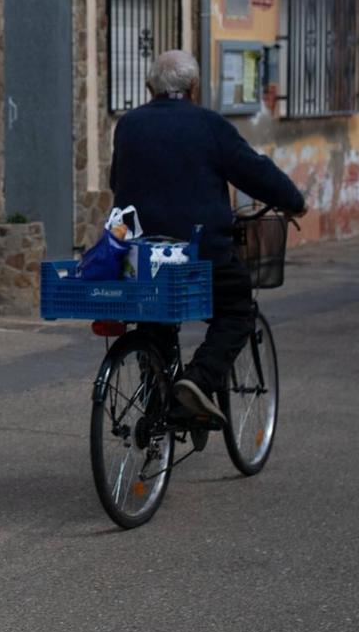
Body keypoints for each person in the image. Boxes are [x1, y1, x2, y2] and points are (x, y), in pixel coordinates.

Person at [109, 48, 307, 429]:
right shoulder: (209, 125)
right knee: (237, 310)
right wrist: (293, 202)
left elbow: (117, 182)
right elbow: (255, 173)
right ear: (195, 88)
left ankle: (158, 408)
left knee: (154, 321)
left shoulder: (129, 125)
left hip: (138, 255)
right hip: (198, 254)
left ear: (150, 87)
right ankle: (196, 382)